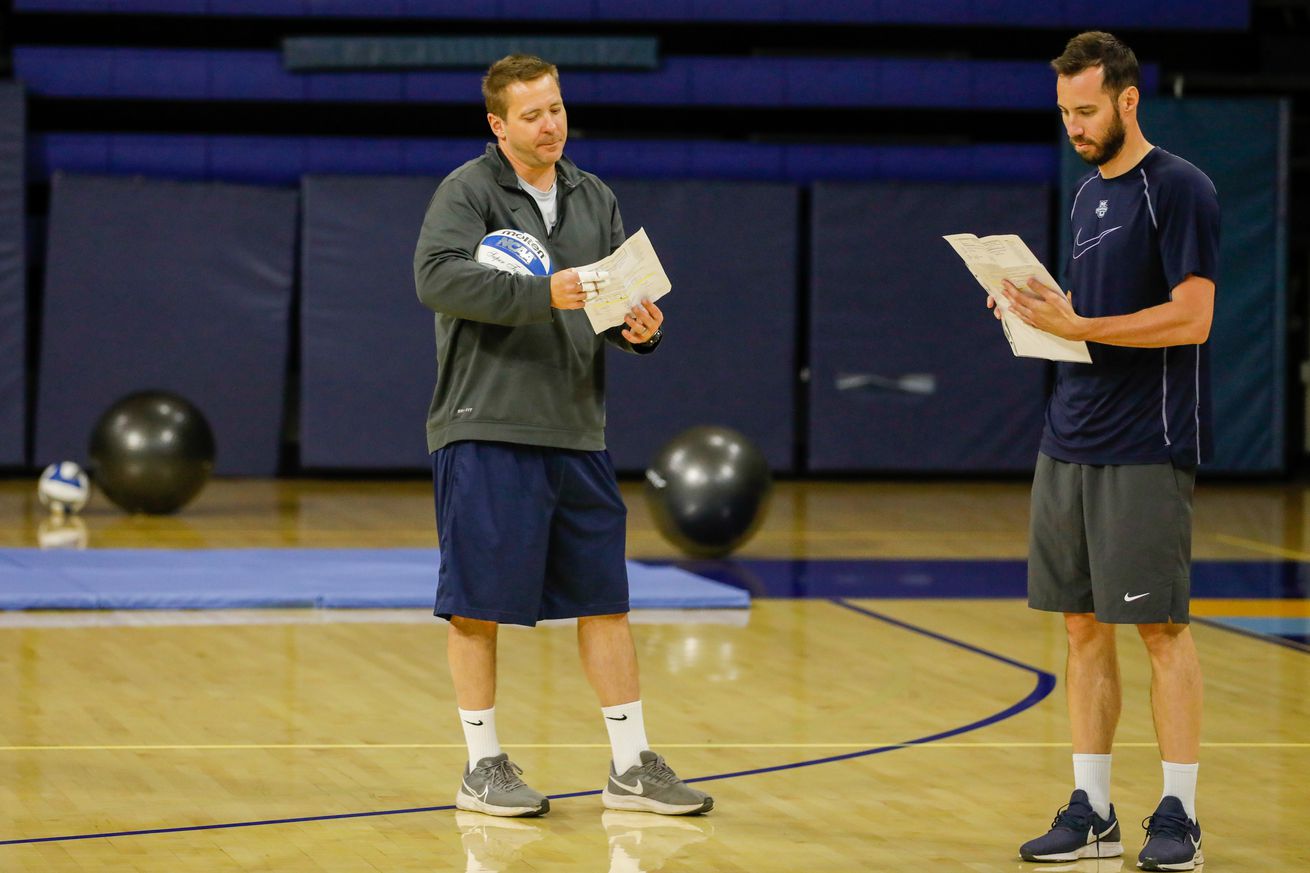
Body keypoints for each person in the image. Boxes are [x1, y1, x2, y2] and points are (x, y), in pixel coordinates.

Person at [413, 54, 712, 819]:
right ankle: (482, 766)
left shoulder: (593, 196)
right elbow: (437, 278)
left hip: (577, 429)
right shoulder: (468, 191)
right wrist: (542, 291)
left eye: (557, 107)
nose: (552, 124)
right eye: (533, 114)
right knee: (478, 604)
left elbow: (608, 302)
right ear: (498, 125)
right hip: (485, 425)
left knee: (604, 600)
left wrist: (638, 330)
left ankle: (631, 764)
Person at [993, 32, 1218, 872]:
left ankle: (1181, 816)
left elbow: (1191, 317)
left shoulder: (1180, 189)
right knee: (1082, 627)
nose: (1074, 127)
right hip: (1071, 433)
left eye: (1086, 111)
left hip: (1144, 441)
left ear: (1128, 100)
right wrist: (1034, 311)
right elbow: (1087, 316)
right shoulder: (1087, 194)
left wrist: (1081, 323)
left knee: (1159, 627)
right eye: (1064, 113)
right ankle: (1092, 809)